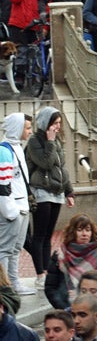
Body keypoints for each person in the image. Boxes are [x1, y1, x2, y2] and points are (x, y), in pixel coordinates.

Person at [25, 106, 73, 290]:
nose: (57, 127)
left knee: (48, 236)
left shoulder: (56, 142)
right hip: (41, 192)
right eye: (54, 123)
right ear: (46, 124)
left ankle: (45, 269)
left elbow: (61, 167)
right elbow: (45, 162)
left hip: (56, 192)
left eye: (59, 123)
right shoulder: (34, 141)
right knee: (39, 235)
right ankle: (40, 274)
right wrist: (51, 142)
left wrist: (69, 191)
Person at [44, 213, 97, 309]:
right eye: (79, 230)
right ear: (72, 232)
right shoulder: (60, 256)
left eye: (88, 230)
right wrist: (66, 309)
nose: (84, 234)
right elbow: (50, 288)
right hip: (67, 310)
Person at [0, 113, 32, 295]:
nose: (29, 131)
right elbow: (3, 186)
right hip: (13, 209)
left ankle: (13, 283)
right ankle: (5, 287)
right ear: (16, 128)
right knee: (5, 250)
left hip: (21, 207)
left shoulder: (17, 147)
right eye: (26, 128)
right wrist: (10, 211)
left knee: (15, 249)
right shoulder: (4, 151)